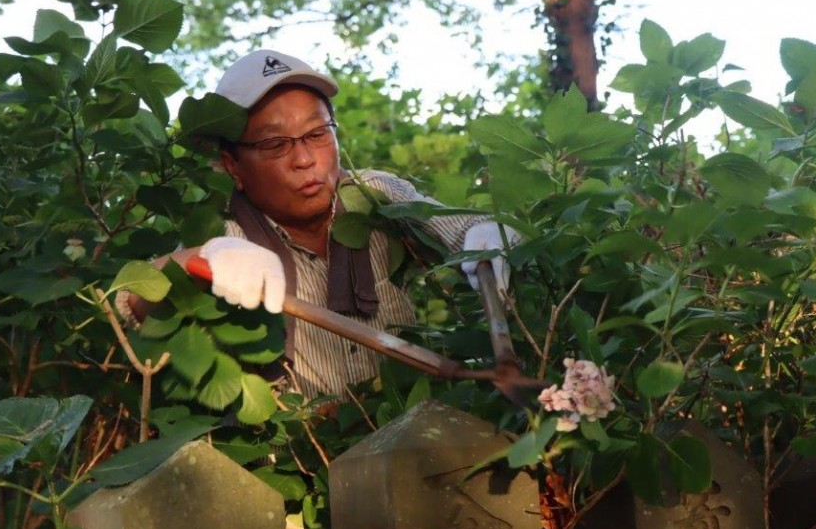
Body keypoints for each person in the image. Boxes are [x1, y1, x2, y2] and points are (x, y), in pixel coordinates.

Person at [118, 49, 519, 400]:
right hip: (296, 455)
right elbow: (126, 306)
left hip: (409, 426)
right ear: (232, 165)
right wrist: (198, 260)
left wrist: (485, 236)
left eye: (317, 133)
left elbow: (464, 231)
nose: (305, 160)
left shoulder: (373, 195)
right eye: (275, 144)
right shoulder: (227, 239)